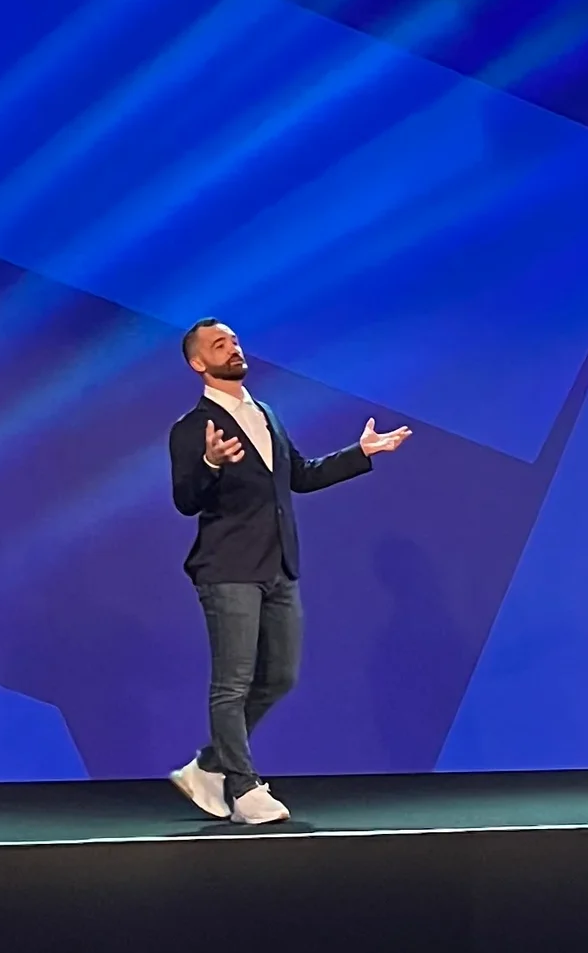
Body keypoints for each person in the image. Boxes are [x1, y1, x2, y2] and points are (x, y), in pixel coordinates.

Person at [164, 318, 411, 825]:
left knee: (280, 676)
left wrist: (360, 453)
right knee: (232, 683)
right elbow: (186, 500)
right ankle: (243, 786)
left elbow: (300, 476)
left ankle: (209, 766)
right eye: (218, 345)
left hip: (278, 566)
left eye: (233, 341)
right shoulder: (192, 429)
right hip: (228, 567)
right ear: (197, 363)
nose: (232, 349)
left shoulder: (267, 414)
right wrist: (210, 464)